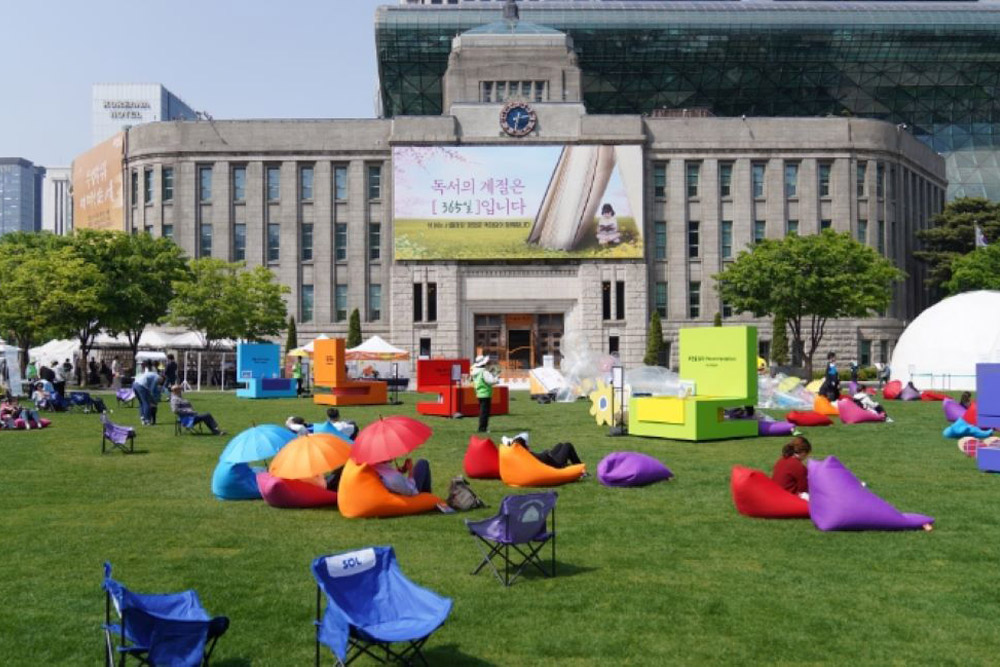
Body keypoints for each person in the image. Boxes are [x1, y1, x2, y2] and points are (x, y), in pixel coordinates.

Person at [502, 432, 584, 470]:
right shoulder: (525, 453)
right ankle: (581, 471)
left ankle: (568, 466)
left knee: (560, 445)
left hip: (549, 458)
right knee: (567, 445)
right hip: (555, 463)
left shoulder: (522, 453)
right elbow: (525, 435)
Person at [471, 354, 499, 433]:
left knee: (482, 412)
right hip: (486, 393)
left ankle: (482, 427)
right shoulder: (483, 371)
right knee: (485, 413)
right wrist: (496, 377)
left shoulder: (475, 371)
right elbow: (491, 381)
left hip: (479, 393)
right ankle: (482, 428)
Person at [132, 361, 161, 426]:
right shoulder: (157, 377)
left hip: (134, 384)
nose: (159, 383)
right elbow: (152, 388)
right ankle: (147, 420)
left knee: (141, 402)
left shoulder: (150, 374)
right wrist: (153, 399)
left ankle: (142, 417)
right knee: (146, 403)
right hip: (141, 385)